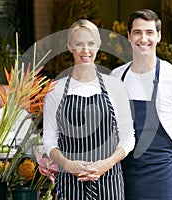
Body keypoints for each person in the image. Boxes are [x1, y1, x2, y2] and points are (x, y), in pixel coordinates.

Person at [111, 9, 172, 199]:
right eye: (137, 32)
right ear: (129, 36)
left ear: (159, 36)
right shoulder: (117, 77)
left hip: (163, 180)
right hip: (123, 178)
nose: (143, 38)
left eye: (149, 32)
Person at [43, 19, 135, 200]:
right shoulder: (56, 89)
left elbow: (128, 135)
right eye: (79, 44)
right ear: (70, 46)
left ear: (98, 45)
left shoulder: (115, 86)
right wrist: (67, 164)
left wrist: (106, 164)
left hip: (109, 180)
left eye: (91, 43)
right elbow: (49, 138)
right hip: (69, 182)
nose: (86, 50)